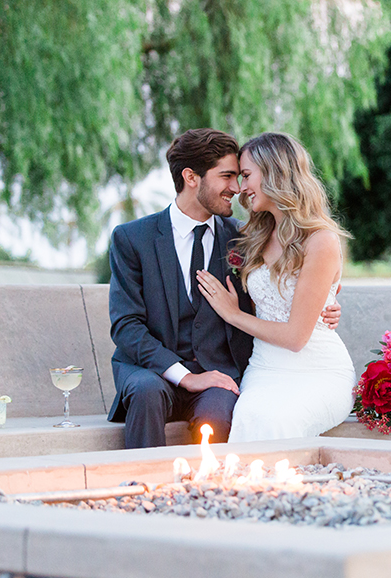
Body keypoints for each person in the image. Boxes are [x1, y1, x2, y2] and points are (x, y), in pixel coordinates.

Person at [107, 128, 341, 448]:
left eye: (241, 176)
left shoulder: (245, 238)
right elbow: (125, 326)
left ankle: (210, 493)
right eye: (228, 176)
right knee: (146, 392)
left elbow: (292, 283)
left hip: (218, 373)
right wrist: (185, 376)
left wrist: (326, 307)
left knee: (220, 412)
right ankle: (139, 486)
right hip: (151, 369)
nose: (237, 188)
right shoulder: (132, 238)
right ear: (192, 177)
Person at [195, 132, 355, 442]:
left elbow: (297, 337)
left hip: (318, 372)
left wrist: (233, 314)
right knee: (250, 418)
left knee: (280, 423)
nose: (241, 187)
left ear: (274, 172)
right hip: (265, 370)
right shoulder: (253, 237)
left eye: (246, 175)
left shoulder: (320, 240)